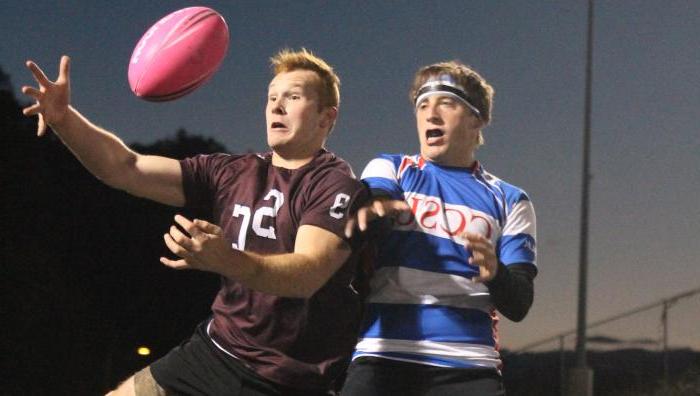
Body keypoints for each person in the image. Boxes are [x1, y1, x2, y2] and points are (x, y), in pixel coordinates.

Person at [21, 49, 370, 396]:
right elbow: (126, 168)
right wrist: (64, 119)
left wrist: (226, 258)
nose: (276, 107)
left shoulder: (336, 185)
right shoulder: (231, 173)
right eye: (271, 98)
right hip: (216, 352)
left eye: (292, 97)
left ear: (326, 118)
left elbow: (307, 273)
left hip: (289, 378)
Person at [341, 61, 537, 396]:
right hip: (382, 355)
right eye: (422, 105)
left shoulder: (511, 200)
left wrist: (496, 272)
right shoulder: (391, 168)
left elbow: (519, 304)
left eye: (446, 103)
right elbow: (376, 202)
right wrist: (373, 211)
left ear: (477, 118)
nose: (430, 114)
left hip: (469, 367)